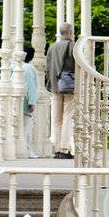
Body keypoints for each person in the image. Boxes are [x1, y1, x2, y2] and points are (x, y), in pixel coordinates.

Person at [44, 22, 76, 158]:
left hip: (55, 86)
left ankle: (57, 149)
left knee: (57, 118)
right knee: (68, 116)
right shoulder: (73, 46)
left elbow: (47, 67)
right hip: (69, 86)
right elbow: (77, 66)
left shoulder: (52, 47)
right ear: (69, 32)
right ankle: (64, 148)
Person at [22, 43, 40, 156]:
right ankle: (27, 151)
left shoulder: (14, 66)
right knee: (27, 128)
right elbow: (30, 87)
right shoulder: (29, 69)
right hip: (25, 102)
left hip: (16, 100)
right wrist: (32, 102)